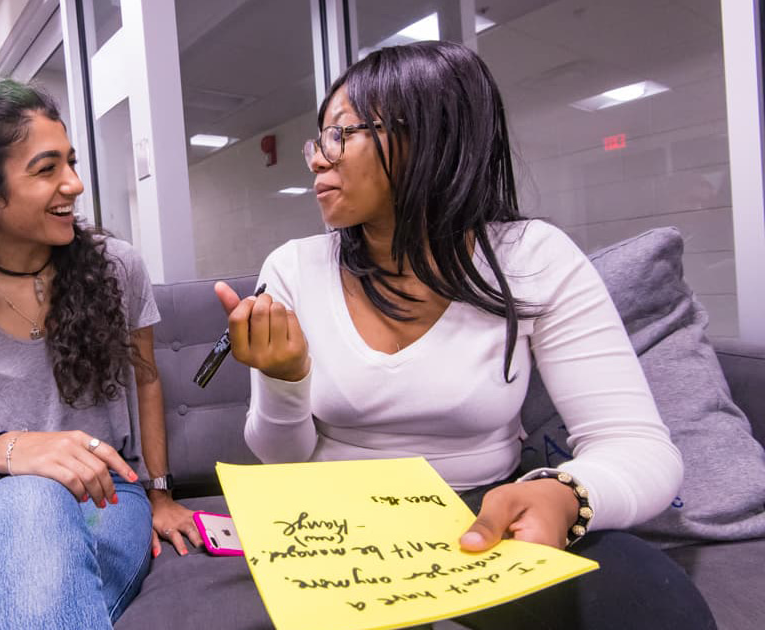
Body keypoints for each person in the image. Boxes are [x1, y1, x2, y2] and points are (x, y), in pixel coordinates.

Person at [214, 41, 717, 629]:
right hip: (338, 526)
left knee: (651, 600)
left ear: (426, 137)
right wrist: (285, 379)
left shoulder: (531, 256)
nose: (317, 160)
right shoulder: (294, 268)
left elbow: (640, 447)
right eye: (317, 140)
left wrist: (567, 494)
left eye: (338, 134)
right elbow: (283, 456)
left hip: (484, 511)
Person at [0, 79, 198, 630]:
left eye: (71, 163)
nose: (74, 184)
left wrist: (160, 491)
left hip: (107, 499)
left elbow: (146, 380)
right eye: (46, 168)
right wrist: (6, 452)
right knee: (33, 503)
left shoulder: (117, 269)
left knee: (51, 573)